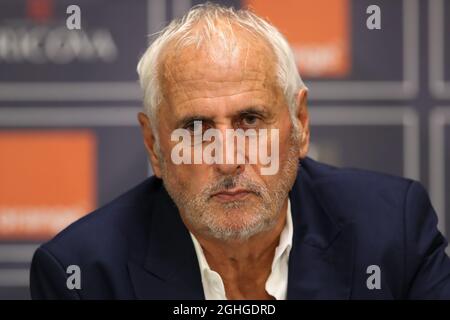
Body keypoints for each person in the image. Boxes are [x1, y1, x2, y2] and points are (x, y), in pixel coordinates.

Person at [30, 3, 450, 299]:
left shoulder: (393, 231)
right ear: (154, 147)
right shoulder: (82, 274)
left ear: (300, 124)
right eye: (195, 129)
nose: (227, 158)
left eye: (250, 120)